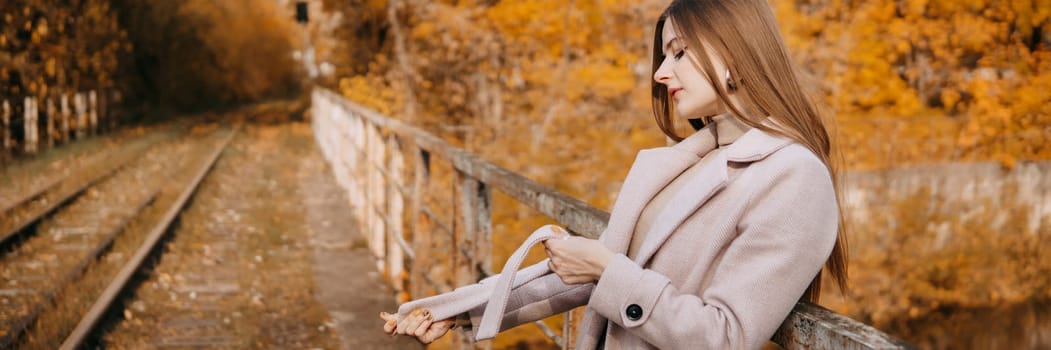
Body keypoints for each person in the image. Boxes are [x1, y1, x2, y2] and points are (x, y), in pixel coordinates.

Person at [380, 0, 848, 348]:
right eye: (665, 56)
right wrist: (450, 310)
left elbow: (724, 336)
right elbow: (584, 277)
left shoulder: (793, 176)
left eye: (679, 53)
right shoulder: (688, 160)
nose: (662, 73)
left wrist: (607, 269)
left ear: (735, 53)